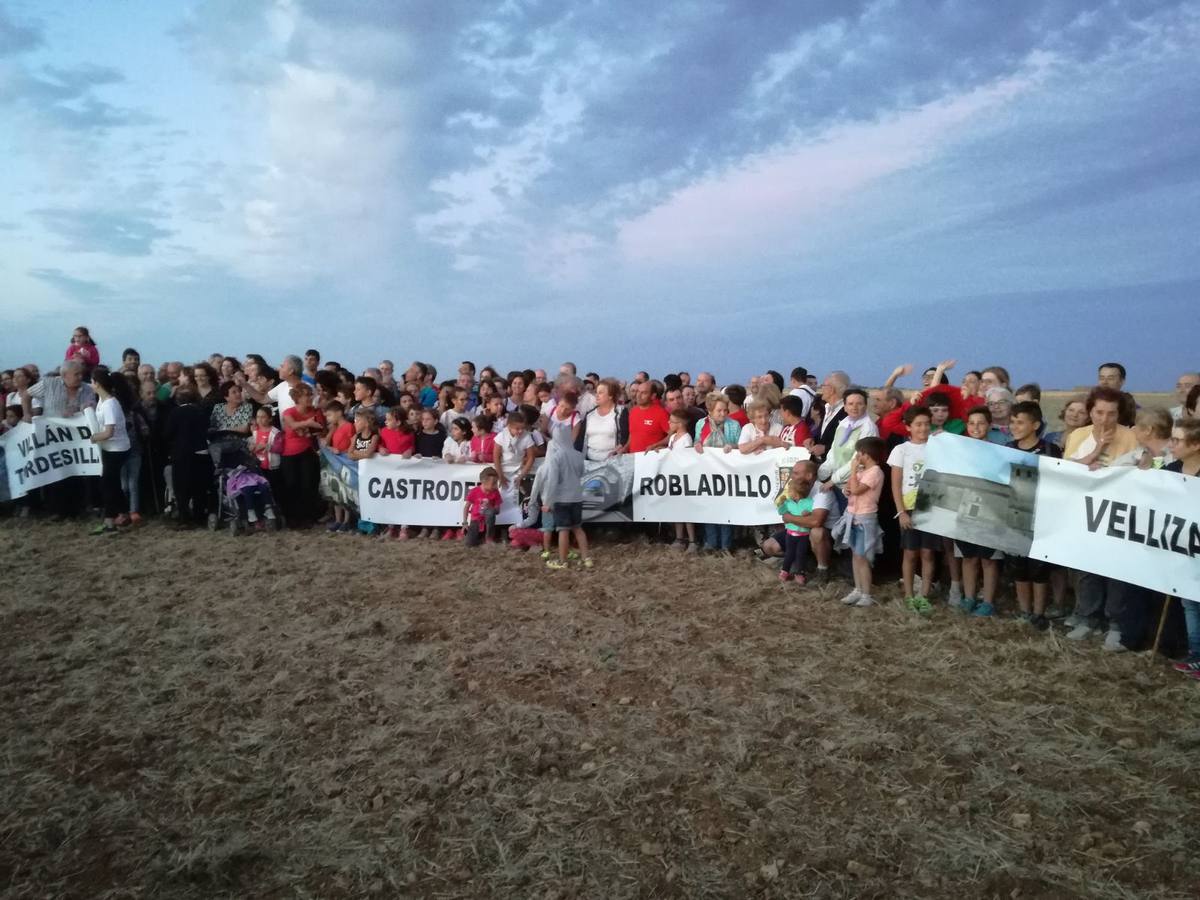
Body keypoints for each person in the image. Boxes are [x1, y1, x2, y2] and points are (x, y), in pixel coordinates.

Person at [1005, 402, 1062, 629]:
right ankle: (1024, 610)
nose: (1014, 426)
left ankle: (1039, 612)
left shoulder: (1050, 450)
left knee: (1039, 568)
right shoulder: (1008, 448)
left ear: (1035, 425)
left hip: (1041, 517)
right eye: (1012, 422)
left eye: (1020, 422)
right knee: (1018, 567)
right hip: (1014, 515)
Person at [953, 407, 1003, 617]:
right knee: (968, 557)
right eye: (971, 423)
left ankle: (988, 601)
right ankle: (969, 597)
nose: (976, 427)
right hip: (964, 510)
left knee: (989, 559)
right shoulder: (958, 449)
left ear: (989, 425)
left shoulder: (1000, 451)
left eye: (981, 423)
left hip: (990, 513)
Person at [889, 406, 937, 614]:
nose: (923, 428)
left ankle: (924, 594)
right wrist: (901, 512)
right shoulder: (901, 450)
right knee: (910, 553)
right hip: (909, 507)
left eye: (927, 423)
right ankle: (909, 594)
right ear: (908, 427)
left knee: (928, 553)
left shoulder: (937, 447)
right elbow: (896, 484)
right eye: (918, 424)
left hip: (932, 507)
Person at [834, 436, 886, 608]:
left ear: (867, 454)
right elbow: (851, 488)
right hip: (853, 515)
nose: (857, 456)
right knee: (855, 555)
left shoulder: (875, 472)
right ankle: (858, 589)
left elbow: (857, 489)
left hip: (865, 518)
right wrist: (847, 488)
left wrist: (853, 469)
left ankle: (866, 593)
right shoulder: (862, 471)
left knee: (862, 557)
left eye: (859, 453)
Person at [1165, 421, 1200, 678]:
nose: (1171, 445)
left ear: (1196, 445)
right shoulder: (1171, 469)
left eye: (1177, 441)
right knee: (1189, 601)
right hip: (1182, 549)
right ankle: (1195, 653)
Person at [693, 392, 741, 554]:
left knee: (725, 508)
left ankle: (726, 544)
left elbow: (741, 446)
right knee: (709, 507)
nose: (723, 414)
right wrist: (697, 444)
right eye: (719, 410)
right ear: (710, 410)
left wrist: (732, 447)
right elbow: (696, 440)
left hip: (727, 474)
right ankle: (711, 542)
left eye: (725, 410)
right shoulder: (701, 424)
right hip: (707, 473)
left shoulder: (734, 425)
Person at [816, 387, 878, 511]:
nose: (854, 407)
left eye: (859, 403)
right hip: (836, 484)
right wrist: (822, 473)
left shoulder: (868, 428)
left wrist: (833, 480)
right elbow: (833, 452)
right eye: (850, 404)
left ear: (865, 406)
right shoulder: (844, 424)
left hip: (853, 486)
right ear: (844, 407)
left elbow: (858, 461)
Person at [540, 427, 593, 570]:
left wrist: (548, 502)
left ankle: (563, 561)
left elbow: (552, 482)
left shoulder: (556, 457)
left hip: (562, 499)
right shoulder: (578, 455)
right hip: (577, 497)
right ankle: (586, 558)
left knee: (563, 530)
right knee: (578, 528)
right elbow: (582, 473)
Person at [88, 369, 133, 535]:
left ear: (97, 383)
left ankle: (110, 520)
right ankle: (123, 513)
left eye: (92, 382)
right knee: (111, 484)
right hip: (109, 448)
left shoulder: (110, 404)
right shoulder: (102, 401)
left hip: (117, 449)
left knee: (107, 484)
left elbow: (109, 432)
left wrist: (93, 437)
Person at [279, 385, 325, 529]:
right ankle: (292, 517)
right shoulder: (289, 412)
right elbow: (292, 425)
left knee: (308, 484)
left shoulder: (316, 412)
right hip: (290, 453)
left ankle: (308, 517)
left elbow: (321, 429)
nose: (310, 398)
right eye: (307, 395)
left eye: (311, 395)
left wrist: (310, 429)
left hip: (308, 451)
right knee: (291, 484)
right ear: (297, 398)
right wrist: (308, 424)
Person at [166, 388, 212, 528]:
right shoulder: (201, 411)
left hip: (182, 454)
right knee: (199, 487)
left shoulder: (175, 413)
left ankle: (184, 519)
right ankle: (199, 517)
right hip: (201, 452)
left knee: (181, 488)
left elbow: (168, 433)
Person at [662, 407, 698, 552]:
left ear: (680, 424)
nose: (669, 424)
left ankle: (692, 540)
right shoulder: (672, 437)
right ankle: (679, 538)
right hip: (674, 478)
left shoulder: (686, 439)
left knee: (686, 511)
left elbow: (687, 458)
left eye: (671, 422)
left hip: (684, 478)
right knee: (677, 510)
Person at [776, 477, 813, 585]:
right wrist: (781, 504)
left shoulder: (809, 502)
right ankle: (784, 571)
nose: (788, 493)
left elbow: (813, 512)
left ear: (796, 494)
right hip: (790, 534)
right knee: (789, 553)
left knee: (801, 554)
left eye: (790, 491)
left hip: (804, 535)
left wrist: (809, 513)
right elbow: (781, 512)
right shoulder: (788, 502)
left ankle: (799, 573)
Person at [580, 378, 627, 461]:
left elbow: (626, 437)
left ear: (610, 395)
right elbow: (580, 439)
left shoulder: (621, 412)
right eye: (596, 392)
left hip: (612, 462)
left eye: (601, 393)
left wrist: (620, 448)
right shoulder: (589, 414)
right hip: (589, 462)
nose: (597, 395)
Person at [494, 410, 536, 492]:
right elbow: (496, 457)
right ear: (509, 426)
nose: (520, 431)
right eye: (517, 429)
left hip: (519, 469)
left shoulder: (527, 436)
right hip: (503, 469)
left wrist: (521, 475)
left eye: (522, 428)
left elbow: (531, 457)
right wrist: (500, 475)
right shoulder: (501, 436)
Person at [623, 380, 669, 453]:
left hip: (652, 459)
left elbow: (673, 435)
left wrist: (658, 445)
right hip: (633, 458)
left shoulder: (661, 413)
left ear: (653, 396)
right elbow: (633, 434)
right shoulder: (633, 411)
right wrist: (625, 448)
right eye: (638, 391)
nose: (638, 395)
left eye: (643, 393)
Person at [463, 467, 502, 546]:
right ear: (483, 482)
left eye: (496, 483)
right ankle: (478, 536)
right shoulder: (474, 491)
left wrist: (490, 507)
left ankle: (489, 537)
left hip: (488, 521)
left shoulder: (496, 492)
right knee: (470, 544)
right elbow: (466, 507)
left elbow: (497, 511)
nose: (496, 486)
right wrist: (465, 522)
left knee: (490, 513)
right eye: (494, 483)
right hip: (476, 520)